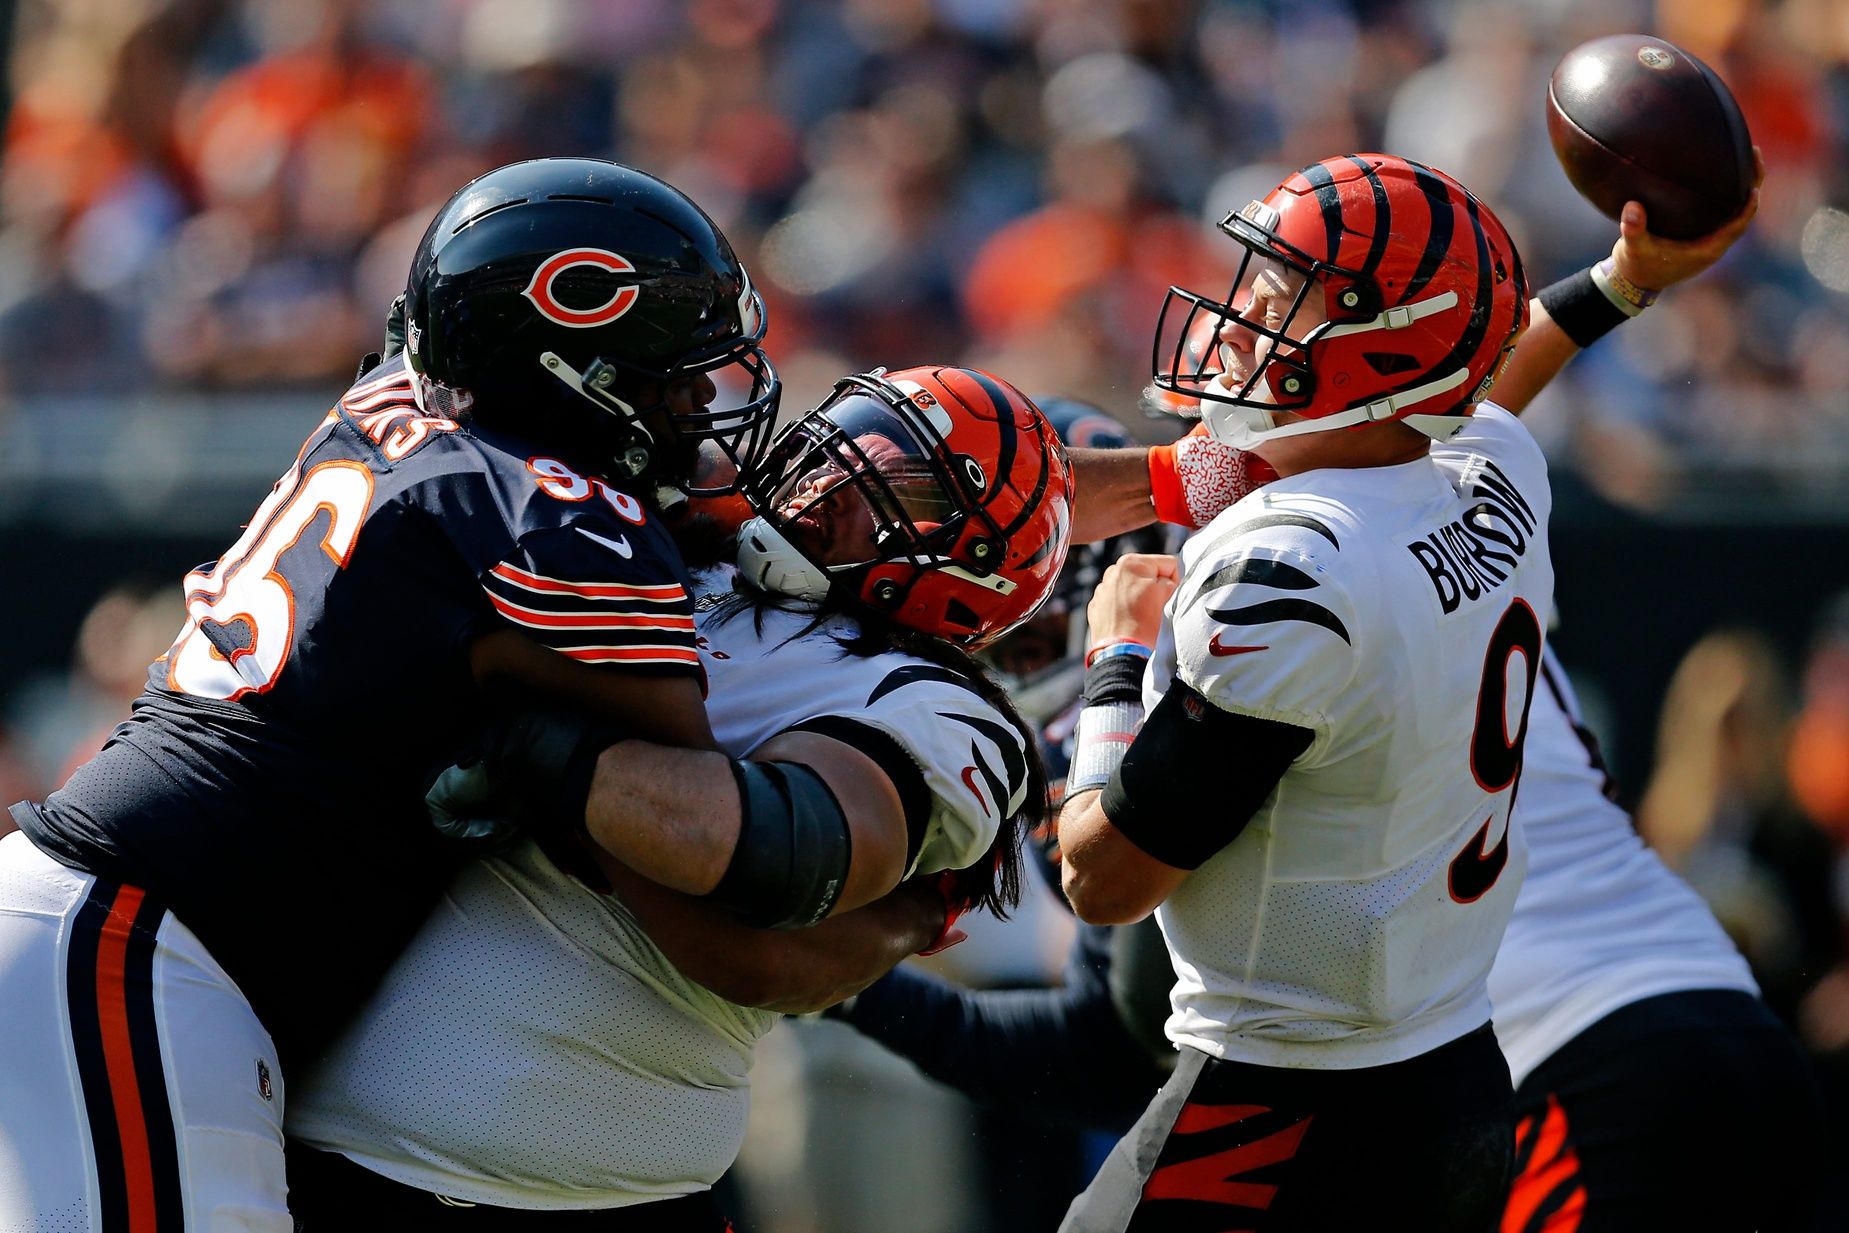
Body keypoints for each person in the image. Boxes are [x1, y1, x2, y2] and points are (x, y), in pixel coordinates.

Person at [0, 158, 777, 1232]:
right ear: (565, 356)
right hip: (143, 949)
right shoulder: (554, 519)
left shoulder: (390, 414)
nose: (702, 400)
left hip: (151, 941)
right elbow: (699, 804)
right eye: (674, 368)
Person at [282, 365, 1073, 1230]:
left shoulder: (931, 703)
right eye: (835, 452)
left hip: (584, 1179)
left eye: (894, 484)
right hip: (319, 1130)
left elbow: (779, 857)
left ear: (978, 558)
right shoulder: (686, 559)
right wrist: (1166, 477)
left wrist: (543, 748)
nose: (825, 485)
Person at [1056, 153, 1543, 1232]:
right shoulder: (1499, 467)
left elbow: (1105, 881)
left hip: (1279, 1105)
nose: (1236, 316)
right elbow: (1477, 383)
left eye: (1279, 295)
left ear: (1383, 335)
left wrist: (1114, 664)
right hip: (1455, 1078)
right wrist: (1616, 284)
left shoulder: (1290, 574)